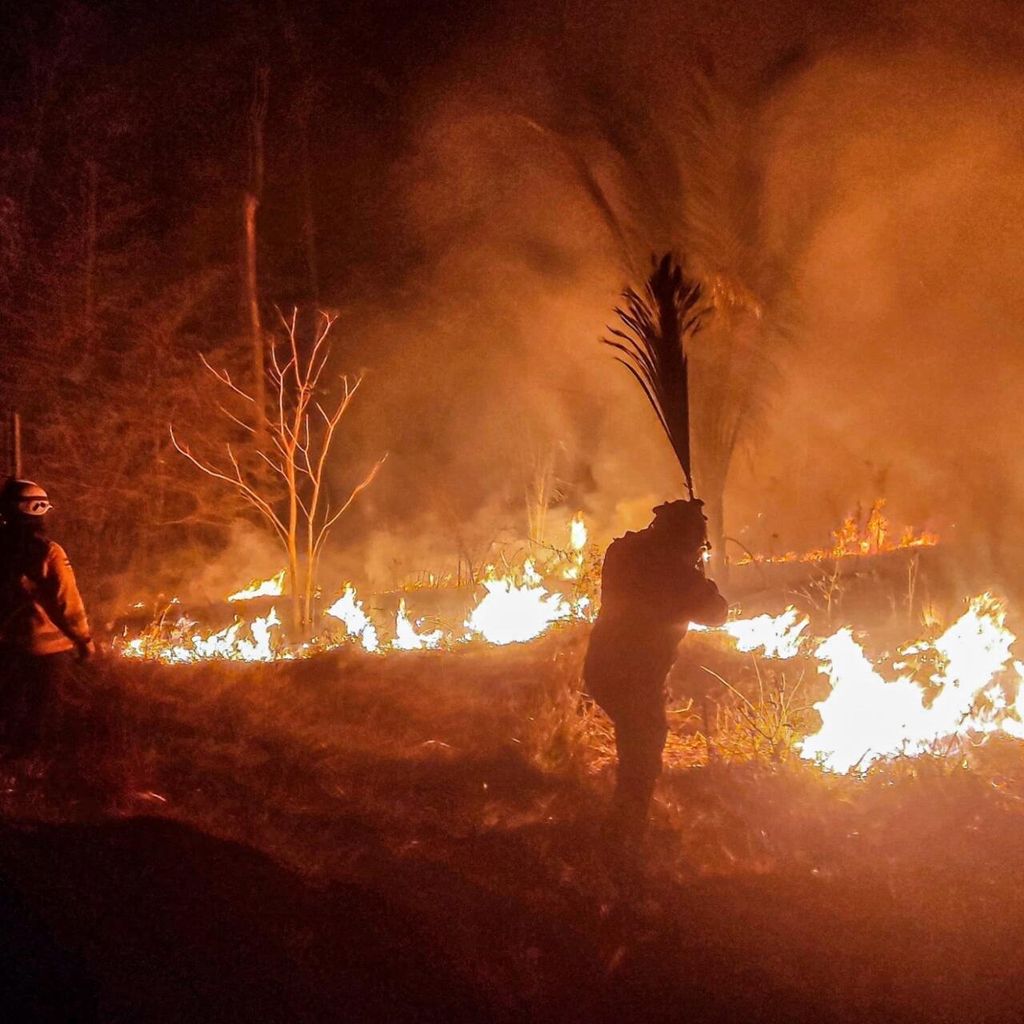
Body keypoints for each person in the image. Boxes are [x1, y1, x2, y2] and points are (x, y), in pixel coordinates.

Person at [584, 498, 727, 839]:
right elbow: (717, 613)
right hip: (634, 676)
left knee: (637, 741)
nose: (698, 552)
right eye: (698, 546)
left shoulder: (623, 553)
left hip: (601, 666)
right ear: (684, 542)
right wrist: (702, 578)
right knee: (643, 754)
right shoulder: (678, 577)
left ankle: (623, 824)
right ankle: (623, 835)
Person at [0, 478, 95, 760]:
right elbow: (68, 600)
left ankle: (10, 767)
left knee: (10, 706)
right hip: (48, 651)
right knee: (42, 712)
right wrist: (84, 638)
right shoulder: (50, 551)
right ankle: (32, 767)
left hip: (7, 645)